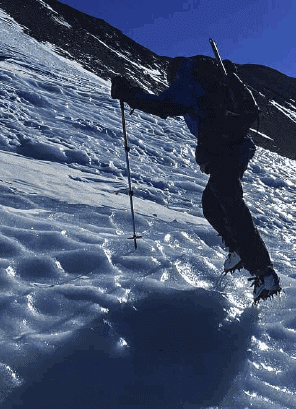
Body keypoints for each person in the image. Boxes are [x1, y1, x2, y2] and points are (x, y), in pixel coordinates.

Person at [110, 55, 281, 303]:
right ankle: (240, 251)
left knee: (231, 206)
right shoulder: (217, 82)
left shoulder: (190, 80)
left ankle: (264, 273)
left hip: (224, 153)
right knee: (212, 203)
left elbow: (163, 105)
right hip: (238, 149)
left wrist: (128, 93)